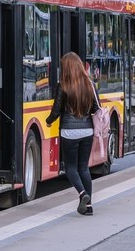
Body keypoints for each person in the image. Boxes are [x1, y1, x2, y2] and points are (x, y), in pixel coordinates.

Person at [46, 52, 99, 216]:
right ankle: (88, 206)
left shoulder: (63, 85)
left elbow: (56, 110)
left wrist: (48, 121)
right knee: (84, 168)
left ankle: (83, 194)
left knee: (70, 168)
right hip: (87, 130)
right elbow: (96, 108)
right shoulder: (89, 84)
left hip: (69, 131)